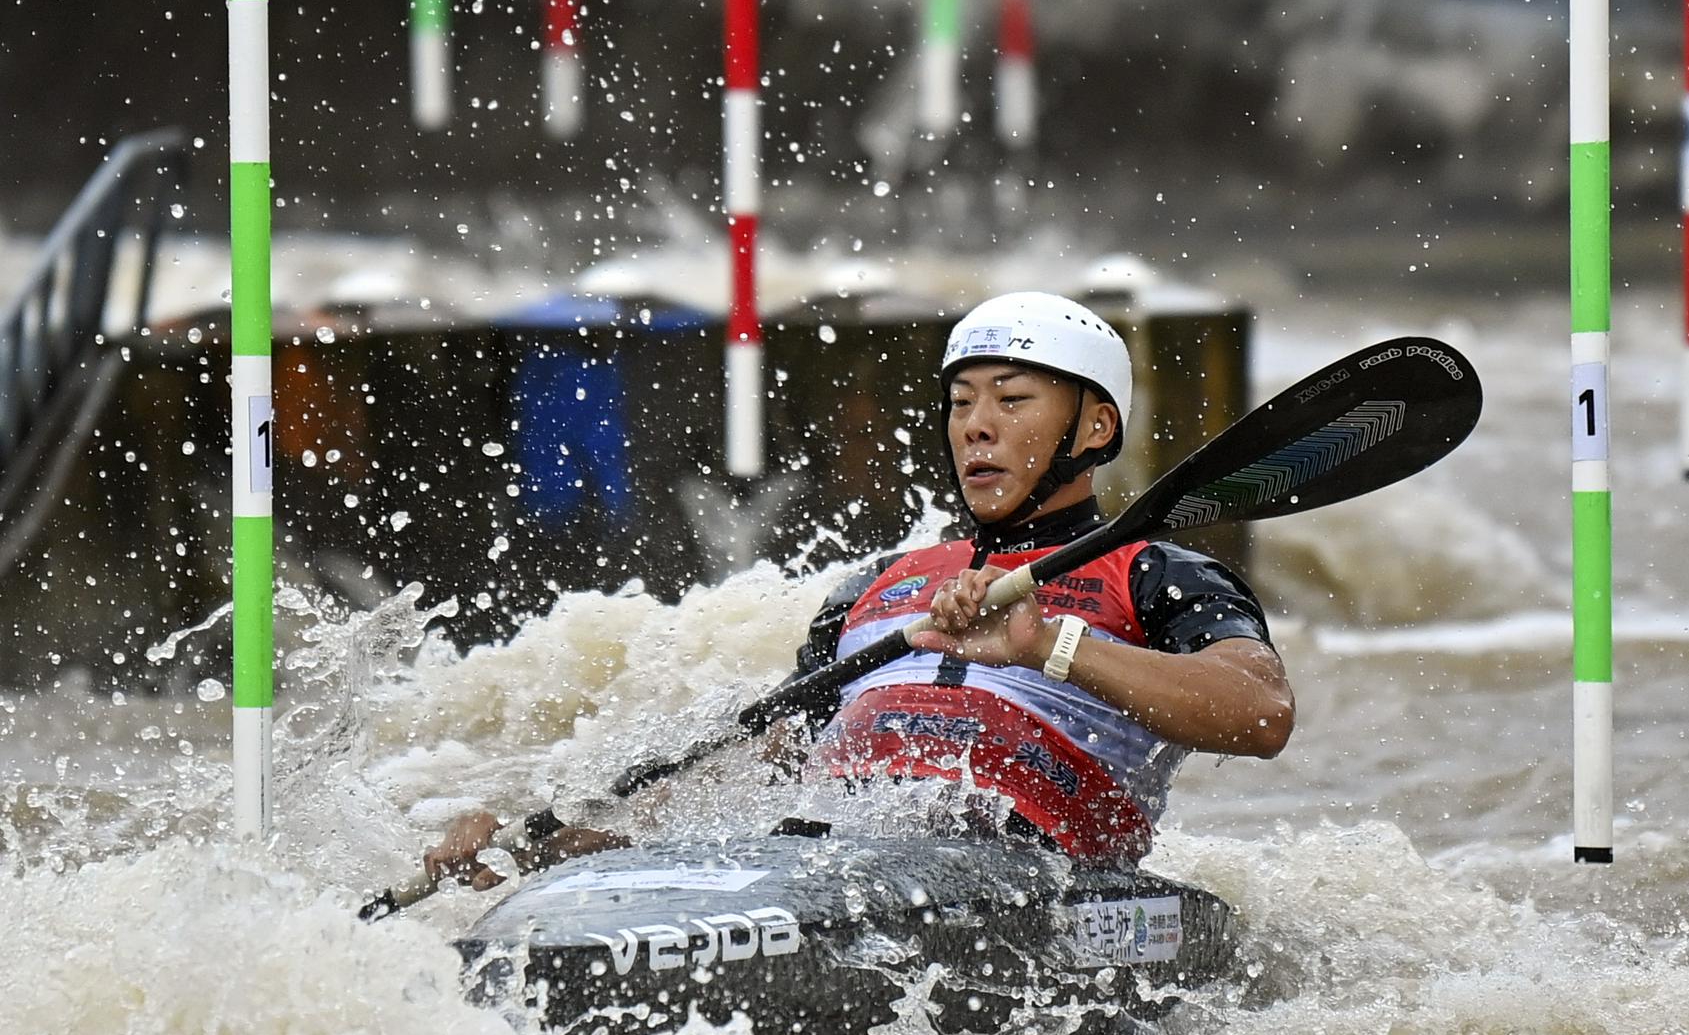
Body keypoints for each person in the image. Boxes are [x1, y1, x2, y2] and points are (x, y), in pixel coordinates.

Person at [423, 291, 1293, 886]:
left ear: (1095, 426)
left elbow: (1261, 712)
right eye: (959, 403)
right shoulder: (877, 587)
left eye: (1012, 398)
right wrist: (548, 848)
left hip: (1027, 874)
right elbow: (768, 771)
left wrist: (1048, 646)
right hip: (826, 864)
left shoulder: (1156, 573)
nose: (976, 425)